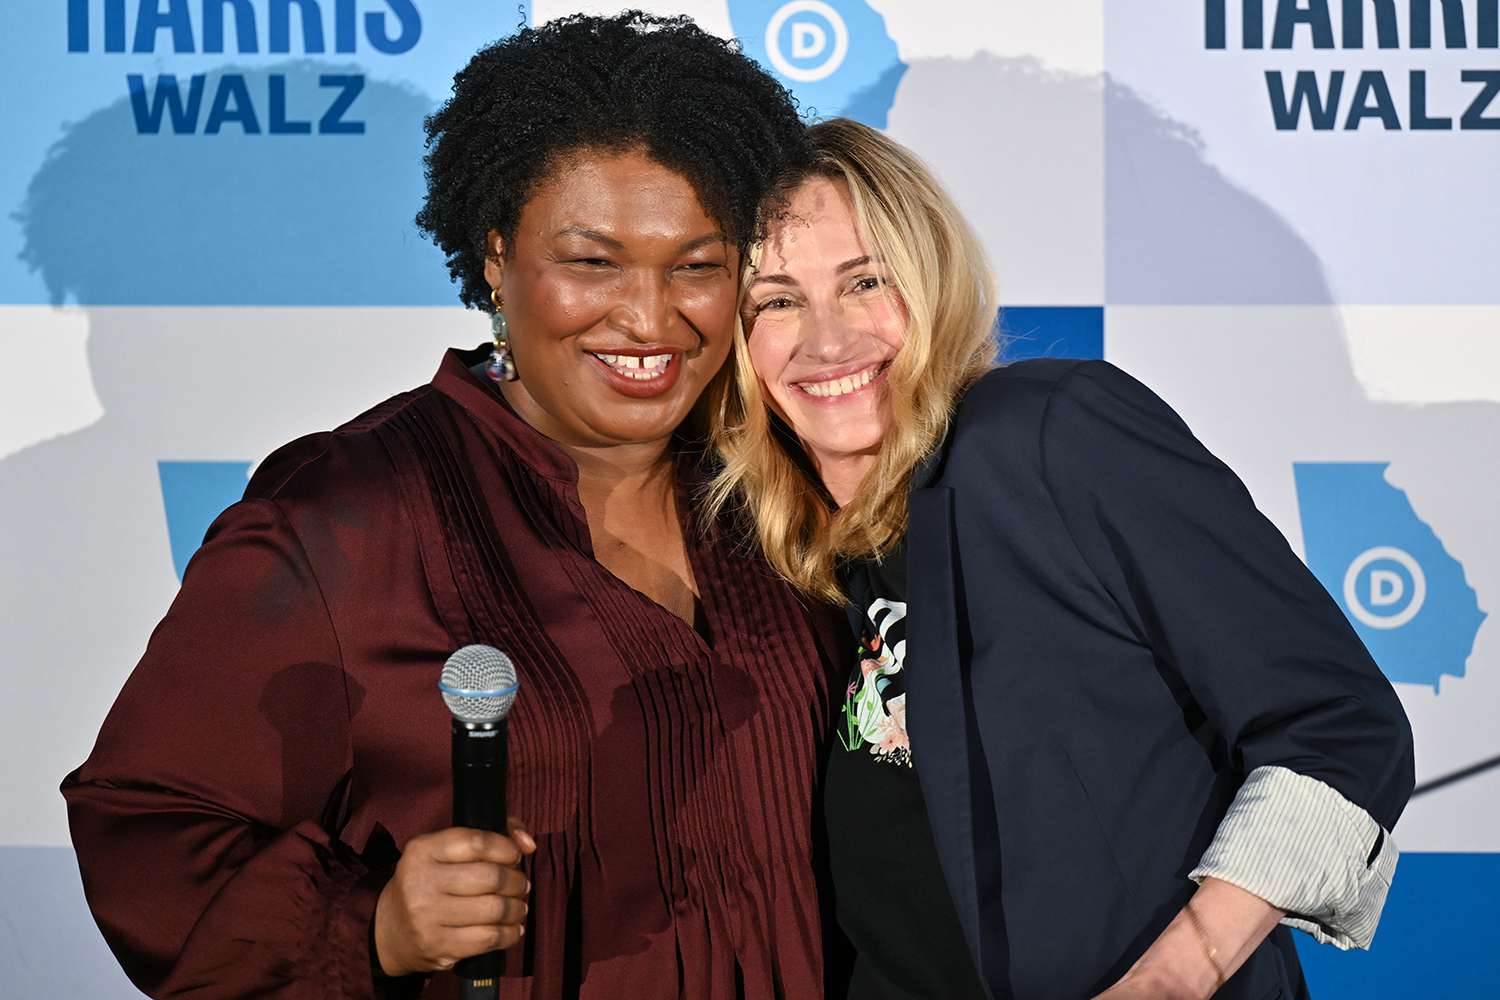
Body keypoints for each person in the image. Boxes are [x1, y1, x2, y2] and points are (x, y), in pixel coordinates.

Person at [61, 14, 850, 999]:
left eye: (697, 263)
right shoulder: (345, 518)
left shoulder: (783, 488)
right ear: (494, 256)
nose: (651, 317)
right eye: (592, 261)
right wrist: (375, 926)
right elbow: (147, 825)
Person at [708, 118, 1416, 1000]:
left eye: (866, 282)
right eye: (776, 300)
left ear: (931, 286)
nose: (827, 339)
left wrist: (1174, 977)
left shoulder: (1049, 432)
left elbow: (1341, 729)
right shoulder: (810, 560)